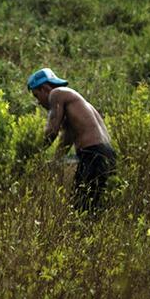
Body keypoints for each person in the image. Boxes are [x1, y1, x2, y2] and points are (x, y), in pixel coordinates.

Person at [28, 68, 117, 213]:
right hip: (106, 154)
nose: (38, 102)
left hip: (92, 155)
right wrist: (54, 160)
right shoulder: (73, 102)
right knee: (96, 207)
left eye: (36, 96)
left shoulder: (56, 94)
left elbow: (51, 131)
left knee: (83, 209)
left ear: (44, 88)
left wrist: (32, 151)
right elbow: (66, 138)